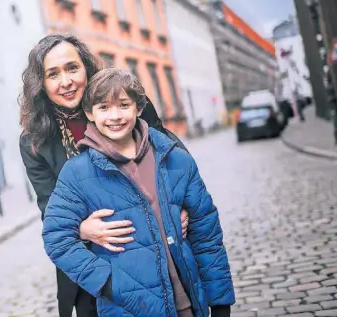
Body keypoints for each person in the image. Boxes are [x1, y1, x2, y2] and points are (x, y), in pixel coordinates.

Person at [18, 33, 191, 317]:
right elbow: (49, 207)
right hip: (94, 265)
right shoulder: (34, 140)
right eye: (53, 74)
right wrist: (82, 230)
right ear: (41, 84)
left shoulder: (125, 103)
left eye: (72, 68)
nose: (66, 81)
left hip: (156, 246)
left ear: (86, 67)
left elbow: (172, 158)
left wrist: (181, 205)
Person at [42, 68, 235, 317]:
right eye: (103, 108)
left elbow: (207, 235)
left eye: (123, 105)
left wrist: (220, 304)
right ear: (89, 113)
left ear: (138, 107)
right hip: (127, 310)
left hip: (188, 304)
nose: (115, 116)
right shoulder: (77, 173)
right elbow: (57, 238)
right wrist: (110, 285)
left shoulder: (176, 159)